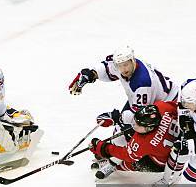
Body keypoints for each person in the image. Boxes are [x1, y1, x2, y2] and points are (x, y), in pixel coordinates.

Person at [68, 45, 179, 174]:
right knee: (121, 131)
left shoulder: (142, 82)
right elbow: (108, 68)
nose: (123, 69)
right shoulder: (122, 65)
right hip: (145, 102)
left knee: (133, 134)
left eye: (126, 65)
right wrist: (91, 74)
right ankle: (114, 157)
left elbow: (139, 118)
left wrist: (116, 118)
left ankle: (116, 161)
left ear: (133, 61)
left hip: (165, 105)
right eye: (120, 65)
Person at [88, 101, 180, 179]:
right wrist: (119, 118)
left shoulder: (145, 143)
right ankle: (114, 161)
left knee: (136, 163)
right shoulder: (162, 107)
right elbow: (179, 108)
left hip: (162, 163)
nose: (134, 125)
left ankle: (114, 166)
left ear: (150, 128)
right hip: (174, 145)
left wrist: (103, 148)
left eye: (139, 125)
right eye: (136, 121)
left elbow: (126, 155)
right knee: (129, 143)